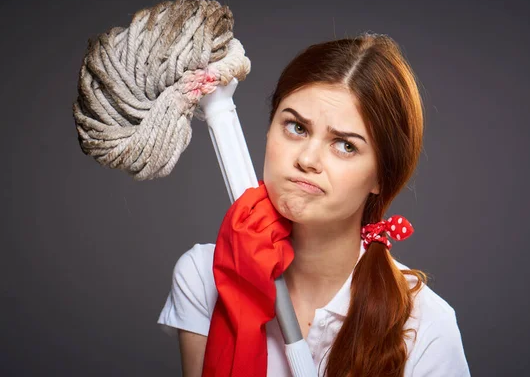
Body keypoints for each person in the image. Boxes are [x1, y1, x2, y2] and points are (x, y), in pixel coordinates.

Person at [157, 33, 470, 376]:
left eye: (345, 146)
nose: (307, 159)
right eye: (296, 127)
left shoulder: (427, 325)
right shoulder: (205, 276)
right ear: (269, 129)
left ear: (381, 177)